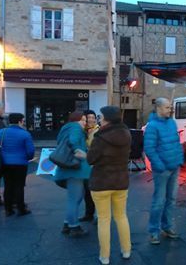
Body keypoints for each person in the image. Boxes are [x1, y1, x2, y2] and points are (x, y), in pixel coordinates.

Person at [86, 106, 132, 265]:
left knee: (104, 220)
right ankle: (126, 250)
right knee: (121, 217)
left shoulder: (101, 137)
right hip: (121, 181)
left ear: (107, 119)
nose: (99, 119)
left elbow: (90, 159)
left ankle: (104, 256)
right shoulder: (127, 134)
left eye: (101, 116)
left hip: (101, 182)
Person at [144, 98, 184, 245]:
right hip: (162, 170)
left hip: (174, 167)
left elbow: (176, 143)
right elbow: (149, 148)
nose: (170, 109)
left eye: (170, 107)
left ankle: (167, 227)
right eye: (167, 107)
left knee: (171, 200)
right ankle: (154, 231)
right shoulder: (152, 126)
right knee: (159, 201)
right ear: (159, 108)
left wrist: (179, 160)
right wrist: (159, 165)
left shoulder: (172, 123)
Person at [54, 111, 92, 237]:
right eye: (83, 120)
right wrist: (79, 151)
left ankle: (67, 223)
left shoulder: (65, 128)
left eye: (85, 120)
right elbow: (74, 141)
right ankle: (74, 227)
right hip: (75, 169)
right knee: (74, 198)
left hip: (69, 168)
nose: (85, 123)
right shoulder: (75, 127)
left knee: (76, 197)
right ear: (76, 120)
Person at [0, 113, 34, 217]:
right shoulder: (25, 134)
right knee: (19, 186)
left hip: (5, 163)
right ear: (20, 121)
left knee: (8, 185)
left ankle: (8, 209)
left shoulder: (1, 132)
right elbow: (30, 151)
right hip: (21, 163)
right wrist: (27, 158)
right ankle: (21, 208)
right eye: (23, 121)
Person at [79, 109, 99, 222]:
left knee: (95, 191)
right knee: (87, 191)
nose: (91, 119)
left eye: (93, 117)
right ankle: (89, 214)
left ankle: (97, 215)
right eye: (88, 117)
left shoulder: (97, 131)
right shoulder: (83, 131)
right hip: (85, 165)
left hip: (94, 165)